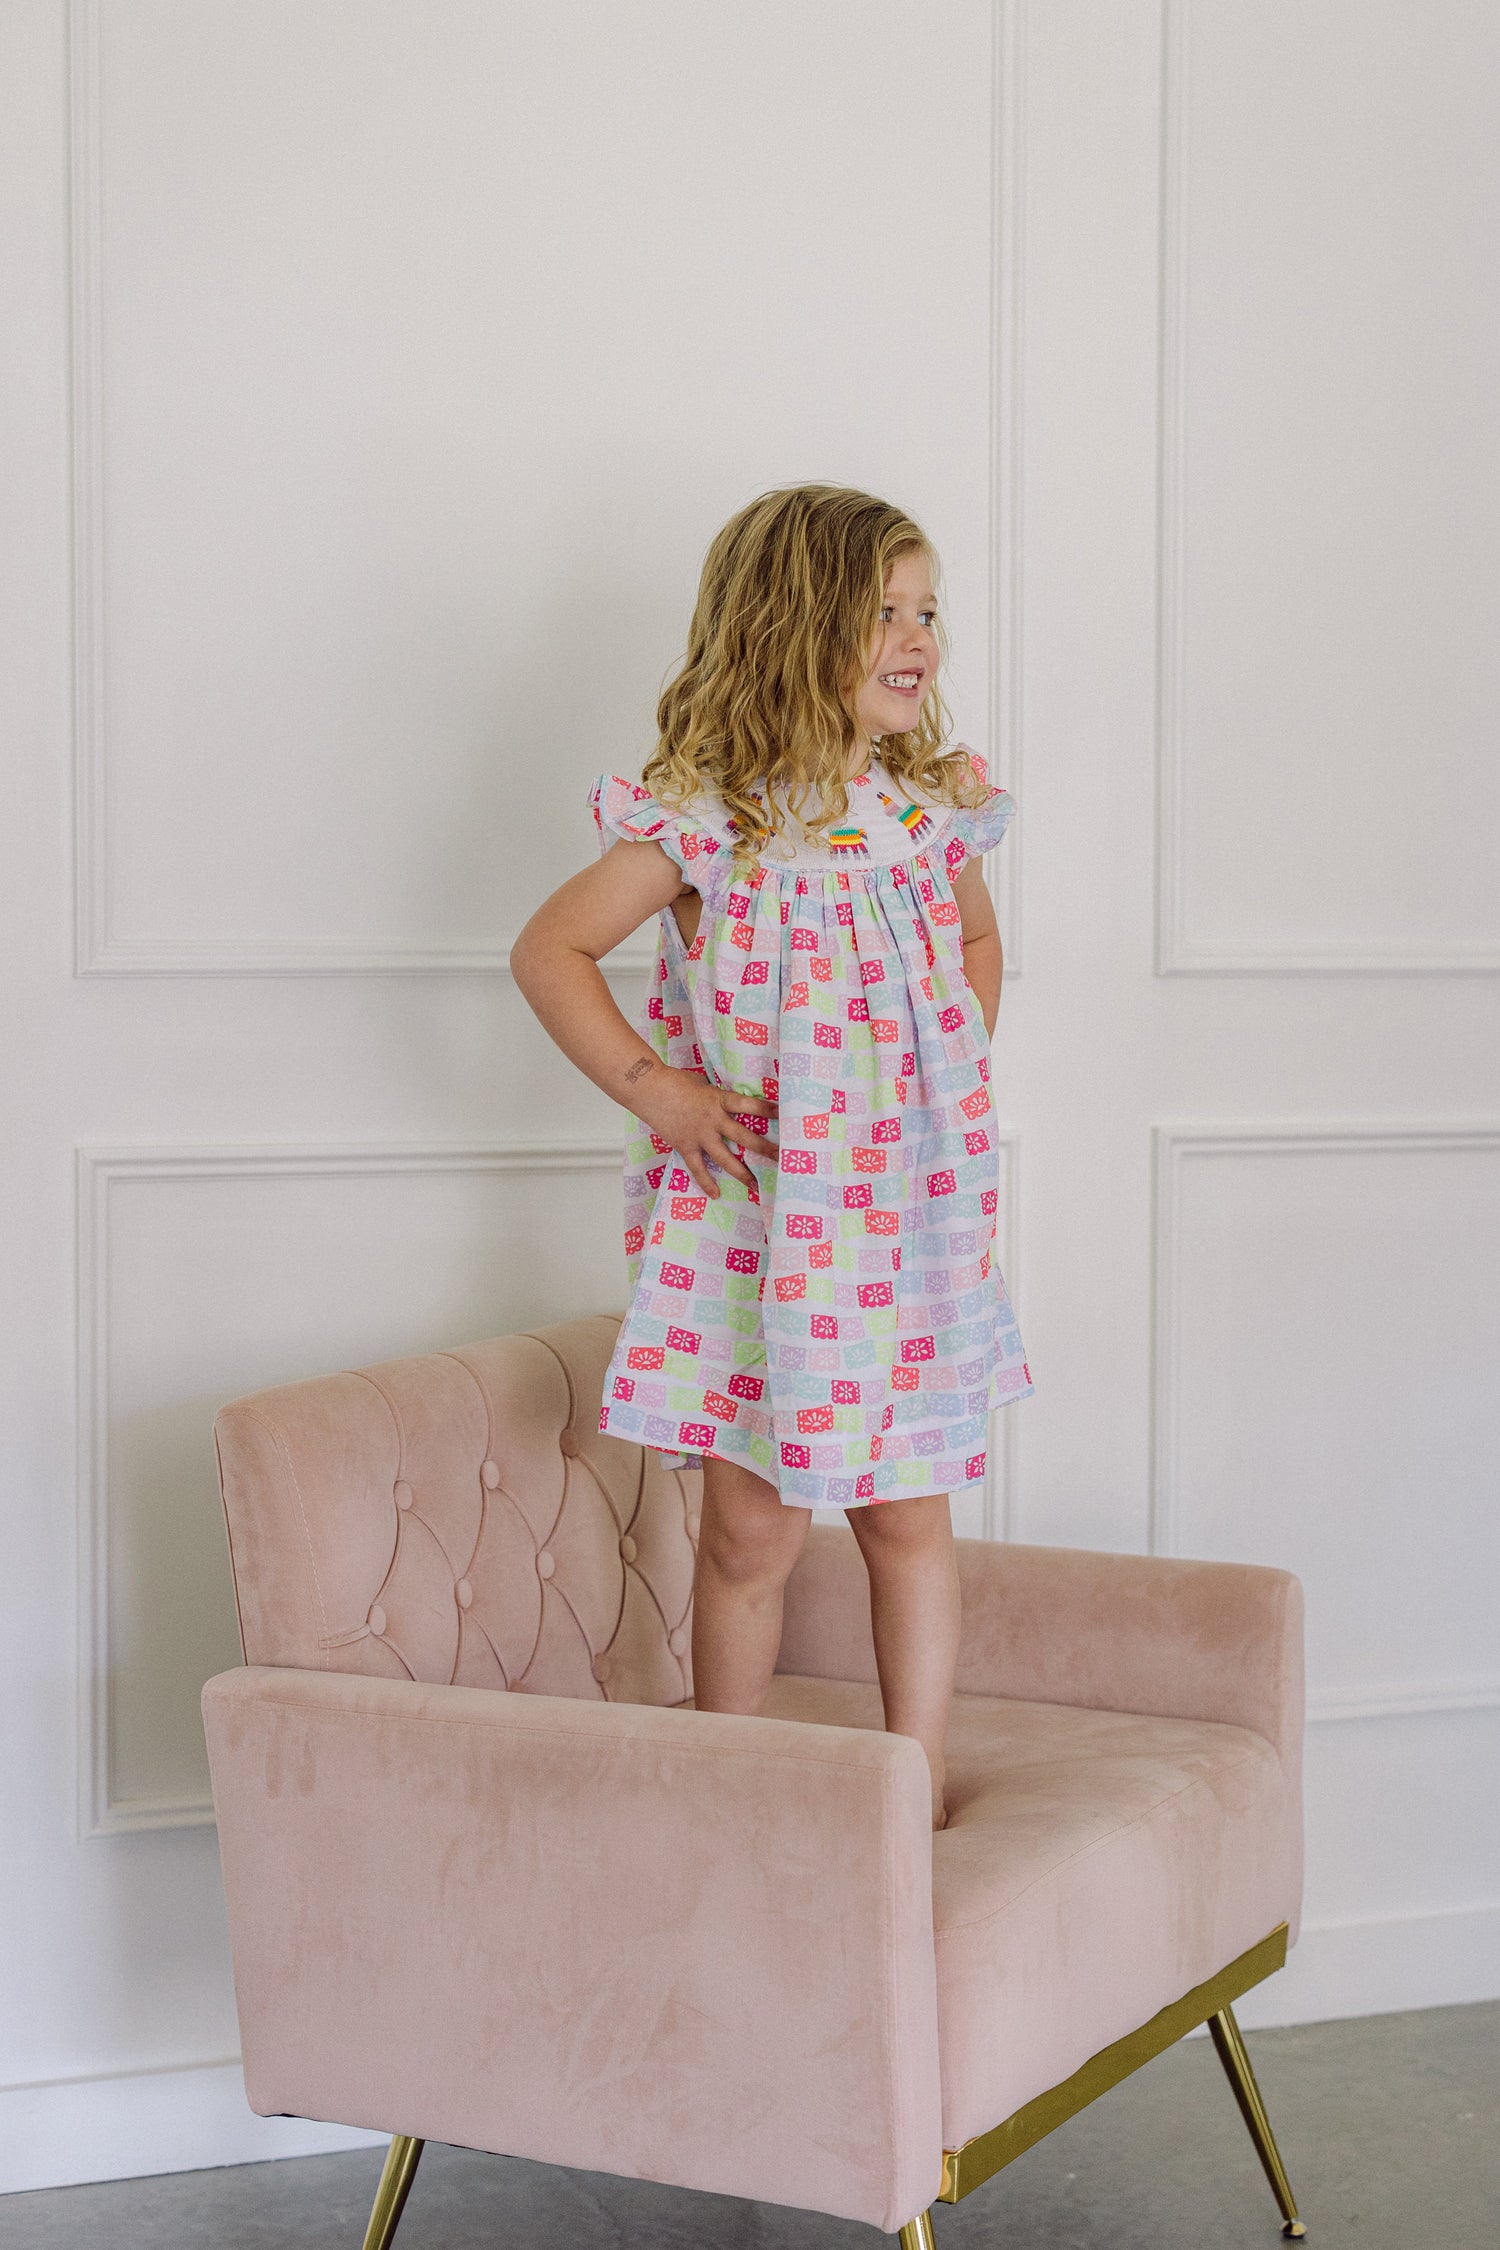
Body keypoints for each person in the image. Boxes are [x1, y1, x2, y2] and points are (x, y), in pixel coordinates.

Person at [510, 482, 1033, 1829]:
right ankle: (726, 1786)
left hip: (900, 1228)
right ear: (793, 629)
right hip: (759, 1225)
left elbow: (977, 939)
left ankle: (914, 1784)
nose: (920, 639)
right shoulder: (707, 822)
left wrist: (945, 1068)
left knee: (906, 1519)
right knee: (750, 1526)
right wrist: (662, 1091)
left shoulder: (931, 810)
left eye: (928, 612)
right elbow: (552, 949)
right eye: (886, 613)